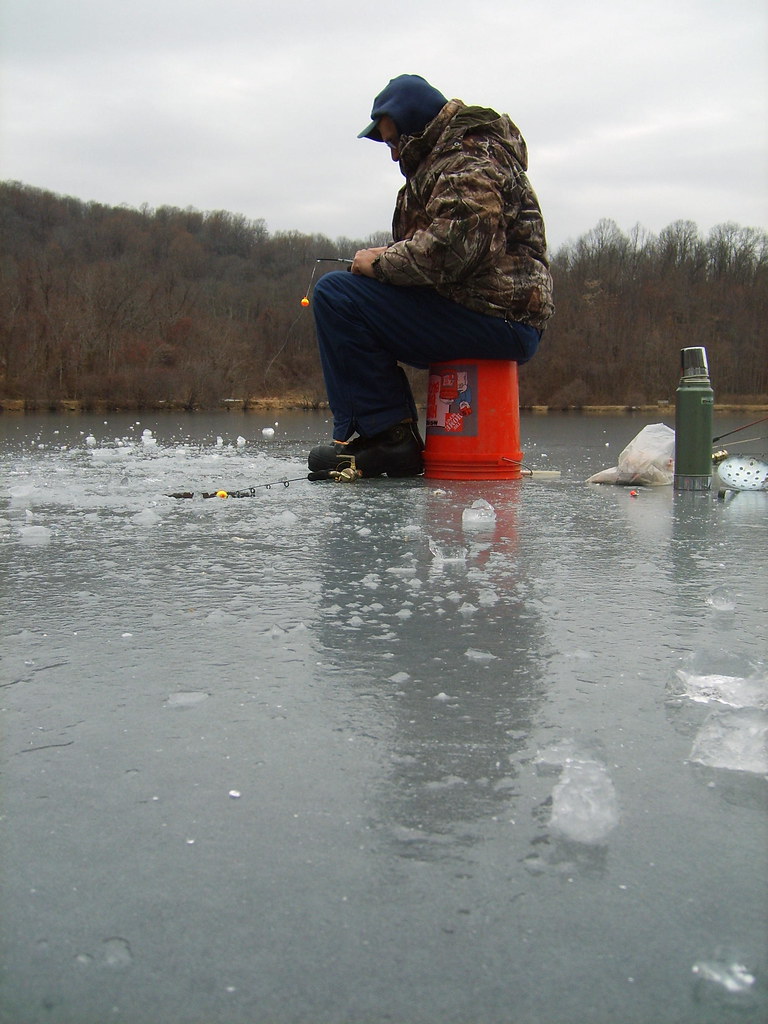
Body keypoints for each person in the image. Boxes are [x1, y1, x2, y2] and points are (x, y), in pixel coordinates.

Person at [308, 74, 554, 478]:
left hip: (497, 317)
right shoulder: (446, 158)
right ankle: (385, 435)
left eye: (394, 142)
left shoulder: (469, 156)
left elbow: (457, 248)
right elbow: (444, 243)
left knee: (338, 296)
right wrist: (388, 258)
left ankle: (388, 439)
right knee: (352, 292)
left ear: (416, 127)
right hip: (485, 311)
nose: (393, 155)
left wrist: (381, 264)